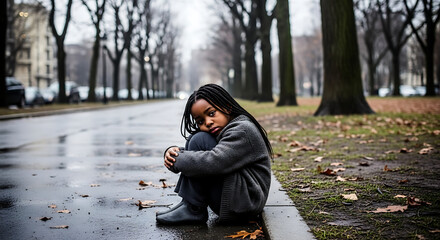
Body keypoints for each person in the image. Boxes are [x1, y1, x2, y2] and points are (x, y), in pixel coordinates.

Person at [156, 84, 272, 225]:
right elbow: (216, 153)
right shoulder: (230, 127)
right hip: (238, 198)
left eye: (211, 113)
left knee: (200, 140)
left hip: (244, 204)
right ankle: (190, 205)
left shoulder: (243, 130)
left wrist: (177, 159)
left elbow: (214, 161)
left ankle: (193, 209)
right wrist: (174, 152)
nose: (208, 122)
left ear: (227, 107)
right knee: (197, 138)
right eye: (200, 121)